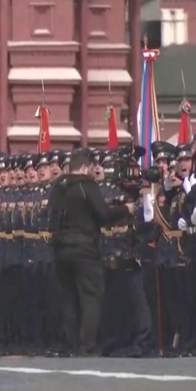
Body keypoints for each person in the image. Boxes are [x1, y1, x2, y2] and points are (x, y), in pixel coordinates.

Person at [48, 148, 134, 355]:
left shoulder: (58, 187)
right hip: (84, 248)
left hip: (61, 249)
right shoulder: (86, 186)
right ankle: (87, 345)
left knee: (69, 297)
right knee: (91, 296)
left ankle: (71, 344)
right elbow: (102, 215)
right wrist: (125, 210)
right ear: (85, 167)